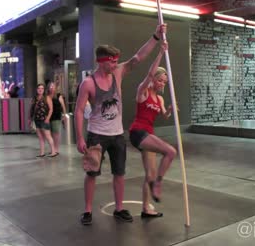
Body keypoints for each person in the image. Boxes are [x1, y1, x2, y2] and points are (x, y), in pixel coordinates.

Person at [74, 23, 167, 225]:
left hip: (117, 134)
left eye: (117, 61)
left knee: (119, 173)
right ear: (101, 62)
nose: (116, 64)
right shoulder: (88, 83)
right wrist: (80, 137)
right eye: (112, 62)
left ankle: (119, 208)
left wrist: (156, 36)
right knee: (91, 173)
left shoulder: (117, 73)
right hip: (96, 134)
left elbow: (138, 58)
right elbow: (79, 110)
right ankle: (88, 211)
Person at [129, 41, 176, 218]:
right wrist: (160, 53)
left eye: (164, 81)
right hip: (138, 133)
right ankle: (159, 183)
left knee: (150, 174)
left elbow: (164, 116)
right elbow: (148, 75)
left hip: (148, 135)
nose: (162, 83)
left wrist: (170, 111)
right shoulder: (143, 91)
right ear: (154, 79)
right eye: (160, 80)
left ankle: (146, 208)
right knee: (170, 152)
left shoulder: (160, 100)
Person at [29, 83, 58, 158]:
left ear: (44, 90)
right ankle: (42, 153)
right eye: (39, 88)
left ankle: (53, 152)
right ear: (36, 89)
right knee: (40, 137)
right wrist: (30, 118)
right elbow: (31, 109)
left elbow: (51, 109)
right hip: (36, 120)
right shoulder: (34, 98)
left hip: (44, 120)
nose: (40, 90)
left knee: (48, 136)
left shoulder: (47, 97)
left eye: (42, 88)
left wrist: (48, 118)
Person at [47, 81, 67, 155]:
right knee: (50, 134)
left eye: (53, 86)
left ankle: (56, 149)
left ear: (55, 87)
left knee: (56, 134)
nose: (52, 87)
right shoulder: (47, 96)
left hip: (56, 117)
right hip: (48, 117)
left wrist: (64, 116)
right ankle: (52, 149)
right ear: (48, 88)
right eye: (50, 86)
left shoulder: (59, 96)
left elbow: (63, 107)